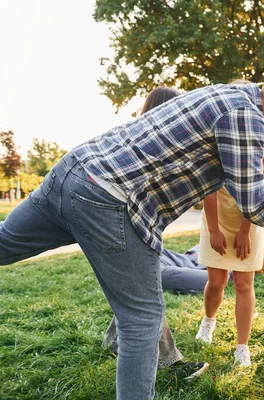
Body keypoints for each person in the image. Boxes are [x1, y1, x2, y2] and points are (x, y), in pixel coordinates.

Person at [0, 74, 264, 400]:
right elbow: (253, 202)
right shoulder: (247, 116)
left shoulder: (227, 96)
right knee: (142, 319)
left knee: (5, 243)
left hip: (71, 171)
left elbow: (241, 189)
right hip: (109, 199)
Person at [100, 86, 206, 378]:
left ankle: (113, 338)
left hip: (124, 227)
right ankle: (170, 362)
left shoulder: (142, 142)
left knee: (133, 290)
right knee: (147, 295)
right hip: (118, 226)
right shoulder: (147, 150)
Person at [194, 147, 264, 367]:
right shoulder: (218, 145)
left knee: (244, 285)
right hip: (216, 218)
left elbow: (255, 194)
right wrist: (214, 231)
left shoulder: (261, 150)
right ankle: (208, 321)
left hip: (248, 219)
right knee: (217, 282)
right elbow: (208, 191)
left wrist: (245, 232)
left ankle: (242, 347)